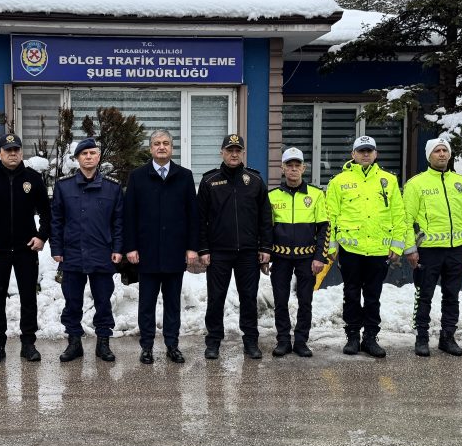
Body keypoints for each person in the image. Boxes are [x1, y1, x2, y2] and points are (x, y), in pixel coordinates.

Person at [0, 134, 51, 364]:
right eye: (8, 150)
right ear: (0, 154)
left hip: (26, 250)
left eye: (16, 149)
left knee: (28, 298)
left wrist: (41, 236)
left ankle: (28, 344)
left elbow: (47, 213)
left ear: (21, 152)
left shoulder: (33, 178)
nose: (13, 153)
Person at [325, 135, 406, 358]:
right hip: (350, 250)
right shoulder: (339, 181)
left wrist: (397, 245)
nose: (366, 154)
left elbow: (398, 215)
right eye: (361, 151)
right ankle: (352, 336)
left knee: (373, 296)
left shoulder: (388, 180)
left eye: (369, 150)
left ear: (376, 154)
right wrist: (331, 247)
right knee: (351, 294)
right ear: (353, 154)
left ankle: (370, 338)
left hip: (379, 250)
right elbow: (330, 217)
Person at [123, 129, 198, 364]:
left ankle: (172, 345)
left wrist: (192, 247)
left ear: (172, 148)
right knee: (146, 303)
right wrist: (131, 247)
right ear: (150, 148)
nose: (161, 147)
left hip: (175, 252)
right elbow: (129, 215)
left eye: (166, 143)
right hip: (147, 253)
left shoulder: (184, 176)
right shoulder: (137, 177)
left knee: (173, 303)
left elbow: (193, 215)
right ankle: (146, 346)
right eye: (157, 143)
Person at [402, 137, 462, 357]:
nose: (442, 154)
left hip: (456, 250)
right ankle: (421, 338)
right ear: (429, 155)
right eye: (437, 151)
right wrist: (410, 249)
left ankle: (448, 338)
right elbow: (406, 219)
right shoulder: (416, 184)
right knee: (424, 296)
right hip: (428, 251)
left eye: (445, 150)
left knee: (452, 296)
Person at [196, 133, 273, 360]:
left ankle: (250, 341)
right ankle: (213, 342)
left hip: (248, 253)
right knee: (216, 298)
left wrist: (265, 247)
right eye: (229, 150)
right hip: (218, 252)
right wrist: (203, 249)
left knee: (248, 298)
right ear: (222, 152)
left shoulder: (255, 180)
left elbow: (265, 217)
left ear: (243, 153)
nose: (234, 154)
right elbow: (200, 219)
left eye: (238, 150)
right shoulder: (209, 181)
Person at [51, 137, 124, 363]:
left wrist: (118, 247)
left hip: (102, 252)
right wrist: (56, 248)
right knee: (72, 301)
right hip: (72, 253)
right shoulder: (64, 186)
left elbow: (119, 221)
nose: (89, 157)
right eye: (84, 154)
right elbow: (57, 220)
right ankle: (74, 343)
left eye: (92, 153)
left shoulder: (112, 187)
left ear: (99, 157)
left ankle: (103, 343)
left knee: (103, 301)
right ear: (77, 158)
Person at [266, 147, 327, 358]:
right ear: (282, 168)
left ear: (304, 168)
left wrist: (320, 257)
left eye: (297, 165)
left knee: (305, 301)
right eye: (289, 165)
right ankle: (283, 340)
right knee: (280, 301)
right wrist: (265, 254)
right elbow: (266, 229)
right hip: (280, 258)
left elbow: (324, 229)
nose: (293, 169)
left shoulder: (316, 195)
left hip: (307, 258)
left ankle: (301, 341)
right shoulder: (272, 196)